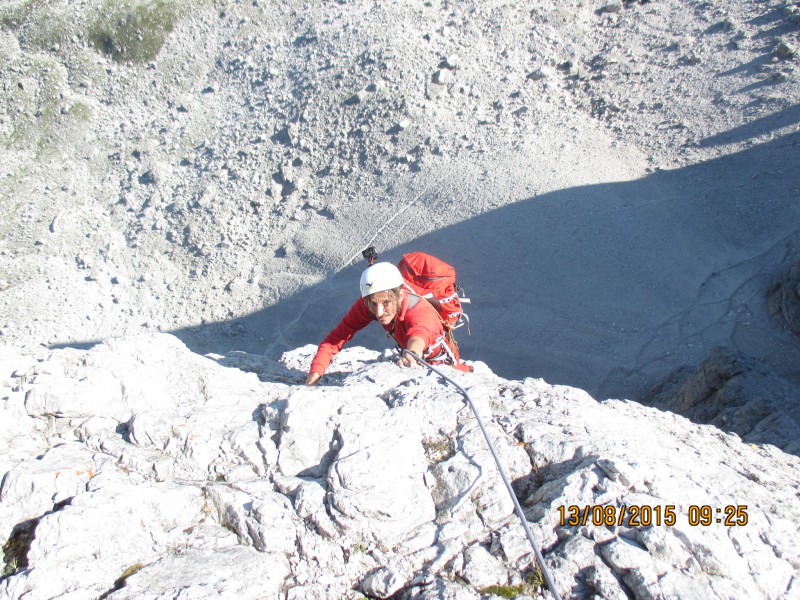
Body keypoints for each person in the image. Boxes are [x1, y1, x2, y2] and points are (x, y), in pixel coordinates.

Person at [305, 262, 463, 385]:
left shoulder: (420, 313)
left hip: (447, 369)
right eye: (373, 304)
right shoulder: (369, 303)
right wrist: (314, 375)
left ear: (400, 295)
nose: (378, 312)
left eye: (386, 303)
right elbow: (336, 338)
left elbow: (419, 336)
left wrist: (411, 355)